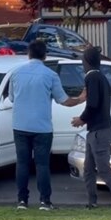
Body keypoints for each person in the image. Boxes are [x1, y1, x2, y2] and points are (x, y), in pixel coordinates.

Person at [8, 40, 86, 210]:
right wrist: (80, 98)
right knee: (42, 164)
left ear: (28, 54)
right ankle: (45, 201)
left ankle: (22, 200)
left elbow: (12, 98)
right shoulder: (50, 75)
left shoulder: (16, 73)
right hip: (42, 126)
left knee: (22, 163)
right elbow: (63, 100)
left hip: (20, 124)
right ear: (44, 55)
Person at [71, 47, 111, 208]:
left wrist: (81, 119)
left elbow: (93, 104)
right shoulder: (101, 77)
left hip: (99, 131)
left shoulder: (92, 77)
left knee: (103, 167)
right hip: (96, 129)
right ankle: (92, 201)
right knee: (89, 168)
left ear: (86, 62)